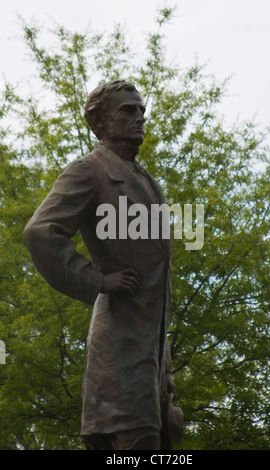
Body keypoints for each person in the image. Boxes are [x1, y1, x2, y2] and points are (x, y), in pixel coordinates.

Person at [23, 80, 183, 450]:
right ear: (99, 121)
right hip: (119, 346)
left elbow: (157, 283)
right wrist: (96, 280)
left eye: (141, 111)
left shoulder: (145, 180)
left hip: (150, 353)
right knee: (134, 439)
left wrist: (166, 364)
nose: (139, 118)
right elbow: (40, 232)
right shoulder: (89, 170)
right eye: (128, 111)